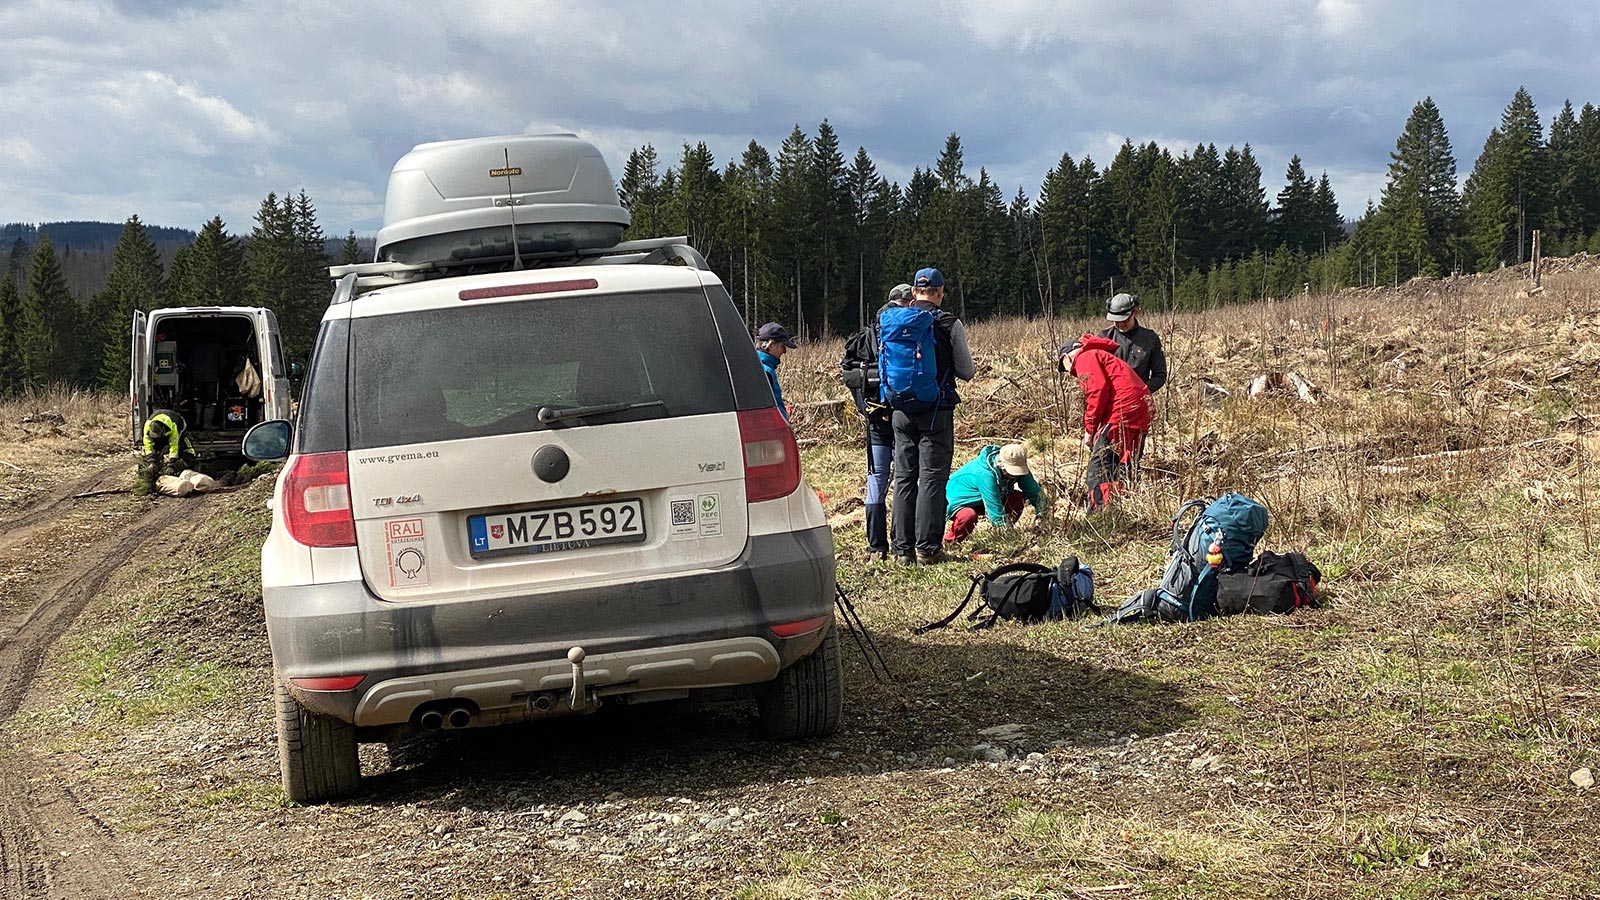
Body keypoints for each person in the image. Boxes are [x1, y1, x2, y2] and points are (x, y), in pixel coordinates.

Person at [888, 268, 975, 564]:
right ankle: (927, 548)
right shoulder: (949, 323)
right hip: (936, 410)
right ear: (940, 292)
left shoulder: (895, 319)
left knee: (904, 477)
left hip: (900, 408)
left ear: (914, 292)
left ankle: (902, 549)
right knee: (932, 479)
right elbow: (966, 371)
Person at [842, 283, 912, 559]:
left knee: (876, 480)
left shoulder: (867, 334)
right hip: (905, 415)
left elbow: (850, 374)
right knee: (904, 478)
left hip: (875, 417)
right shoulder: (908, 329)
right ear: (907, 302)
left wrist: (864, 407)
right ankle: (902, 543)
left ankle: (876, 546)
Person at [1058, 335, 1150, 511]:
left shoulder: (1085, 357)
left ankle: (1099, 514)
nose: (1070, 373)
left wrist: (1090, 430)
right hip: (1140, 409)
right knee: (1124, 463)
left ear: (1067, 357)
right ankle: (1124, 508)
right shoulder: (1100, 355)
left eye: (1066, 368)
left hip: (1123, 409)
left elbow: (1097, 391)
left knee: (1099, 466)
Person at [943, 443, 1046, 542]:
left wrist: (1042, 516)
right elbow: (995, 509)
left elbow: (1034, 493)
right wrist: (1009, 539)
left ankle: (1005, 530)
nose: (1014, 475)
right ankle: (951, 542)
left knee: (1017, 498)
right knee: (968, 516)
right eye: (1011, 471)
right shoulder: (984, 474)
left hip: (983, 499)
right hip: (955, 502)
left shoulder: (1018, 463)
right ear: (1001, 464)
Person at [1098, 292, 1167, 394]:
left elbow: (1160, 375)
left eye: (1125, 320)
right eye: (1116, 321)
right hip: (1111, 398)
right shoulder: (1103, 338)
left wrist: (1142, 391)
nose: (1121, 324)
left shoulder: (1150, 339)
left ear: (1135, 313)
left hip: (1139, 398)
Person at [140, 409, 198, 493]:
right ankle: (151, 474)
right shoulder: (147, 427)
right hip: (163, 428)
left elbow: (174, 446)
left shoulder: (173, 426)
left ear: (163, 430)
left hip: (179, 424)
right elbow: (148, 446)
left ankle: (189, 464)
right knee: (149, 450)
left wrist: (171, 465)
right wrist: (151, 462)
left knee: (182, 445)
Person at [756, 322, 798, 421]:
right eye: (783, 346)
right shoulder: (765, 373)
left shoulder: (756, 366)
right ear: (771, 345)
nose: (784, 351)